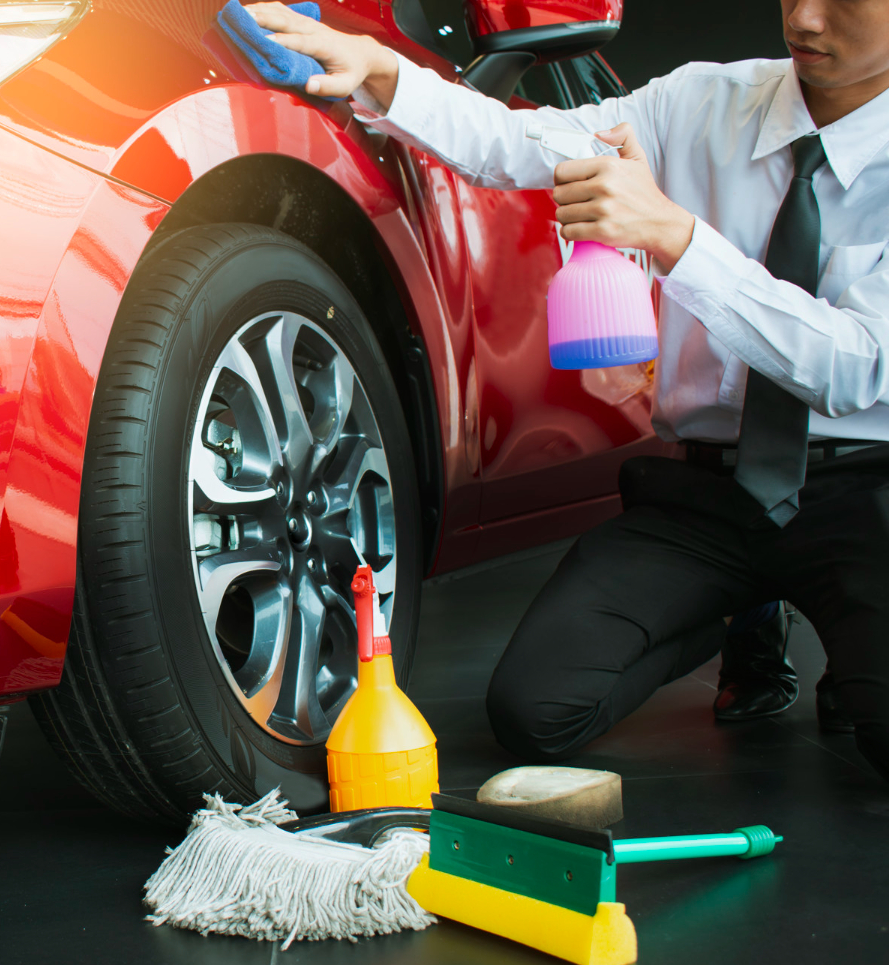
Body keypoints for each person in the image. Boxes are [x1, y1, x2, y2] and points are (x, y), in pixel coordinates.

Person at [245, 0, 889, 780]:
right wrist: (384, 72)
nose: (806, 20)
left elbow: (857, 368)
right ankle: (739, 609)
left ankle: (843, 650)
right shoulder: (703, 101)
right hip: (710, 496)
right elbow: (522, 144)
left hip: (866, 491)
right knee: (536, 712)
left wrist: (676, 238)